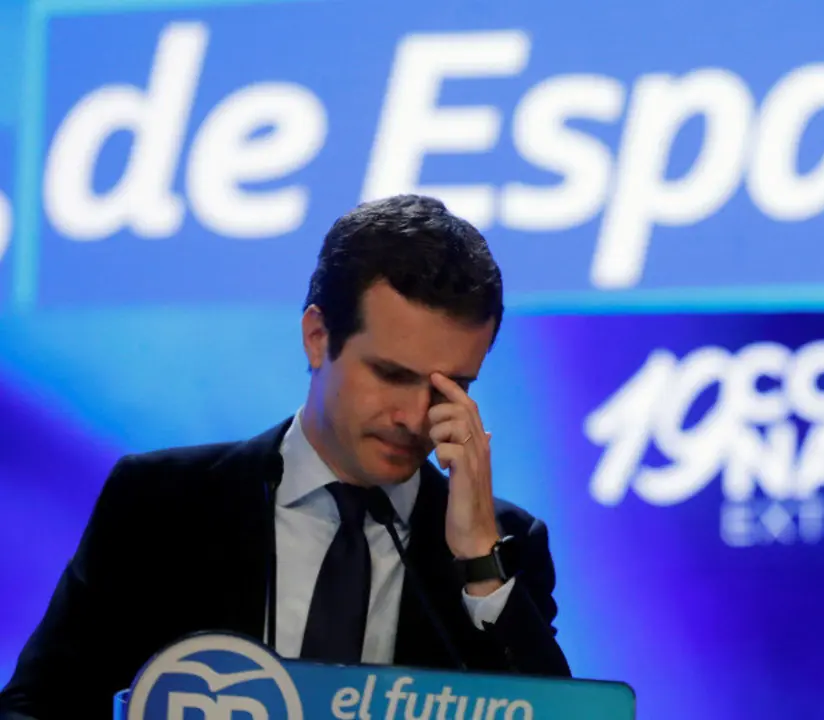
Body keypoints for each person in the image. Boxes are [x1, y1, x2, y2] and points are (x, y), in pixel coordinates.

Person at [0, 195, 571, 719]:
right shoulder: (160, 503)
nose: (414, 417)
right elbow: (38, 706)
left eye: (451, 388)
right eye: (392, 375)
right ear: (318, 336)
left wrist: (477, 560)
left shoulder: (504, 549)